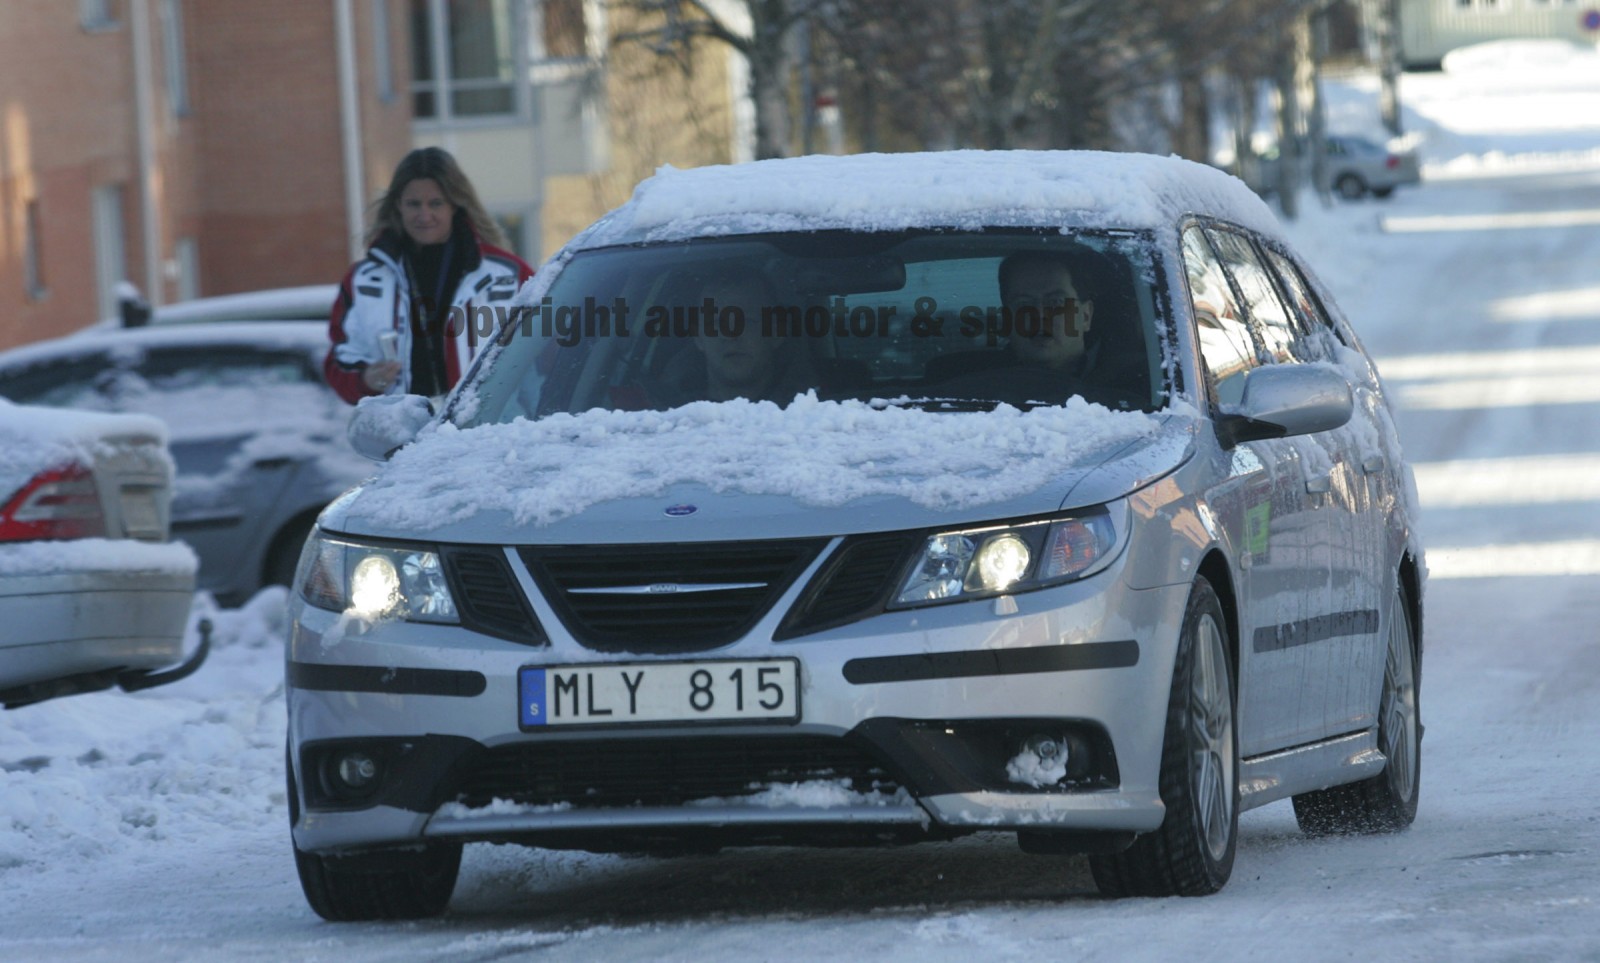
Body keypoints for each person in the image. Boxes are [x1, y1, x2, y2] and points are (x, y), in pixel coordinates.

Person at [324, 147, 534, 405]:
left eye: (435, 203)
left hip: (485, 426)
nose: (424, 216)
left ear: (455, 204)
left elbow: (548, 352)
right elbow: (338, 364)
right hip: (401, 428)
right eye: (414, 204)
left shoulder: (508, 274)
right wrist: (366, 380)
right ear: (398, 205)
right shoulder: (363, 281)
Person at [650, 271, 816, 407]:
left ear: (776, 333)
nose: (730, 335)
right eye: (716, 323)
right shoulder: (656, 416)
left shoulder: (820, 412)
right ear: (698, 338)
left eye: (746, 321)